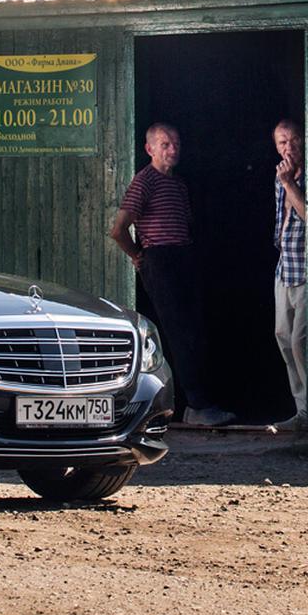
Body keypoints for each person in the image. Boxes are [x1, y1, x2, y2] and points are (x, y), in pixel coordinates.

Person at [109, 122, 236, 427]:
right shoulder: (145, 181)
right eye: (165, 144)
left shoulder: (178, 185)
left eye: (176, 144)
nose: (173, 150)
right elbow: (118, 229)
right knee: (180, 333)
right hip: (160, 259)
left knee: (194, 331)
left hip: (183, 257)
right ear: (149, 148)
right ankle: (197, 405)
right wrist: (138, 256)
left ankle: (193, 405)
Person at [271, 118, 308, 429]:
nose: (288, 148)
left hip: (307, 268)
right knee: (283, 336)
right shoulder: (279, 177)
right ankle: (301, 410)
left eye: (293, 140)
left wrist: (289, 184)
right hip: (285, 266)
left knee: (301, 341)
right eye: (282, 142)